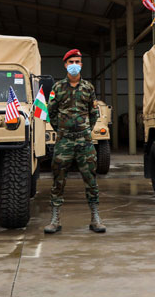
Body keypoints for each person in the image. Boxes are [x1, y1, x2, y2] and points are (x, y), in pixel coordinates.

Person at [44, 49, 105, 234]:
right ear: (65, 64)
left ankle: (95, 218)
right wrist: (63, 130)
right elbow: (51, 113)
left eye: (77, 61)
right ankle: (55, 220)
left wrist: (84, 130)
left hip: (85, 141)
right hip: (64, 143)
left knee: (91, 179)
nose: (74, 65)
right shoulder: (57, 88)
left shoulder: (88, 88)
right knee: (58, 180)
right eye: (71, 61)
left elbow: (93, 113)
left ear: (81, 64)